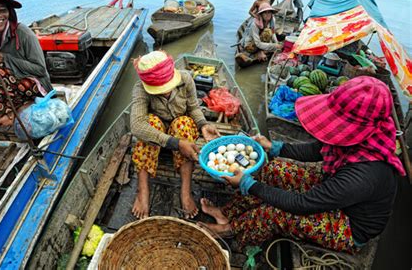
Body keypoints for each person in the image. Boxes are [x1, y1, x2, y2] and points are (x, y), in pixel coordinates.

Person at [200, 76, 404, 253]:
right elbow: (317, 149)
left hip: (349, 226)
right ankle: (225, 213)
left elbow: (302, 205)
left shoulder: (365, 175)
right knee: (273, 169)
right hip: (338, 193)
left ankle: (230, 230)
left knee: (274, 213)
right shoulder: (362, 136)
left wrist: (248, 184)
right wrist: (274, 147)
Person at [130, 51, 220, 219]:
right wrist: (176, 143)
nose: (165, 92)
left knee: (183, 123)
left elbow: (193, 107)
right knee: (148, 124)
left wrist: (203, 125)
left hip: (180, 132)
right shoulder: (140, 88)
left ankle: (185, 191)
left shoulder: (185, 78)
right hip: (157, 141)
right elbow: (136, 126)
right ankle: (143, 191)